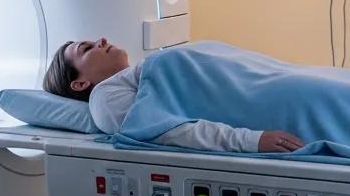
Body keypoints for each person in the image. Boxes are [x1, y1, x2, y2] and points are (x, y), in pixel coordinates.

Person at [43, 38, 304, 153]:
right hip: (270, 98)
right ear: (79, 84)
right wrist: (251, 141)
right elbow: (171, 131)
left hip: (270, 78)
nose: (101, 39)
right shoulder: (103, 98)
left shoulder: (137, 79)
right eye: (86, 49)